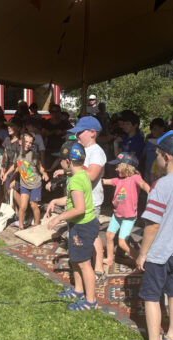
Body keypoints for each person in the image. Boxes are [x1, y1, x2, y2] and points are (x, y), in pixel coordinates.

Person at [129, 131, 173, 340]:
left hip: (161, 252)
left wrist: (142, 254)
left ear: (167, 157)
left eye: (157, 154)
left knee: (151, 296)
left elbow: (153, 225)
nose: (156, 158)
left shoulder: (162, 185)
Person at [47, 141, 100, 311]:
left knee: (84, 263)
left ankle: (90, 301)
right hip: (79, 225)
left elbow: (79, 208)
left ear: (68, 161)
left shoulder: (76, 180)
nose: (60, 163)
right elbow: (71, 200)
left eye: (61, 160)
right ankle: (78, 290)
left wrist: (59, 218)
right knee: (75, 259)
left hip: (83, 226)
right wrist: (55, 201)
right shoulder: (80, 174)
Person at [71, 116, 107, 282]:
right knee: (85, 233)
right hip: (82, 199)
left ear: (92, 133)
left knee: (92, 234)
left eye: (80, 132)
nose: (77, 136)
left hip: (91, 200)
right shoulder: (84, 150)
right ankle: (84, 260)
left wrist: (74, 166)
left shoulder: (97, 152)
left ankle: (98, 266)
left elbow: (92, 175)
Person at [102, 153, 150, 267]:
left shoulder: (135, 178)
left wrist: (151, 193)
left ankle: (139, 261)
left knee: (122, 243)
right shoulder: (118, 180)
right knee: (109, 236)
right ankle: (109, 258)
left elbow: (143, 184)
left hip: (128, 217)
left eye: (118, 166)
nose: (116, 169)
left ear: (127, 167)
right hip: (117, 215)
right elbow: (104, 181)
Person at [7, 131, 49, 229]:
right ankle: (21, 226)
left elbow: (40, 167)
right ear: (20, 142)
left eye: (30, 143)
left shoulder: (33, 155)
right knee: (23, 206)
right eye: (26, 142)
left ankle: (37, 224)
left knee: (34, 205)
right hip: (24, 185)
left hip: (35, 185)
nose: (28, 144)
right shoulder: (17, 154)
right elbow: (16, 166)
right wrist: (8, 175)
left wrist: (44, 173)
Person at [42, 103, 72, 169]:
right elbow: (42, 135)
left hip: (62, 150)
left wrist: (62, 132)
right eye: (52, 111)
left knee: (60, 170)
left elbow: (72, 131)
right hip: (49, 149)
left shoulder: (65, 123)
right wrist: (48, 133)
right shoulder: (46, 123)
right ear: (50, 112)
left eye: (56, 111)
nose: (54, 113)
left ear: (59, 112)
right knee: (48, 169)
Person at [142, 118, 166, 183]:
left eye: (155, 129)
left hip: (159, 173)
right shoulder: (149, 142)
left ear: (162, 129)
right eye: (152, 129)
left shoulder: (166, 143)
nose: (153, 131)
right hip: (148, 172)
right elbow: (144, 155)